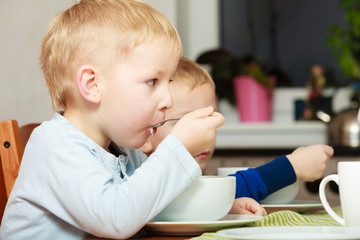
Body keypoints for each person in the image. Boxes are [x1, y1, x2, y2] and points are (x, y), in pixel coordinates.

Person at [0, 1, 230, 239]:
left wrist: (219, 208)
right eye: (152, 81)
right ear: (92, 85)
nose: (168, 101)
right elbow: (116, 219)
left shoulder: (122, 150)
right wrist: (178, 148)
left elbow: (152, 203)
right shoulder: (57, 147)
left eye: (169, 82)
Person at [141, 57, 334, 203]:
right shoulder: (143, 181)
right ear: (145, 136)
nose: (204, 133)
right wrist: (292, 166)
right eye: (186, 122)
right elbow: (220, 192)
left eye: (210, 119)